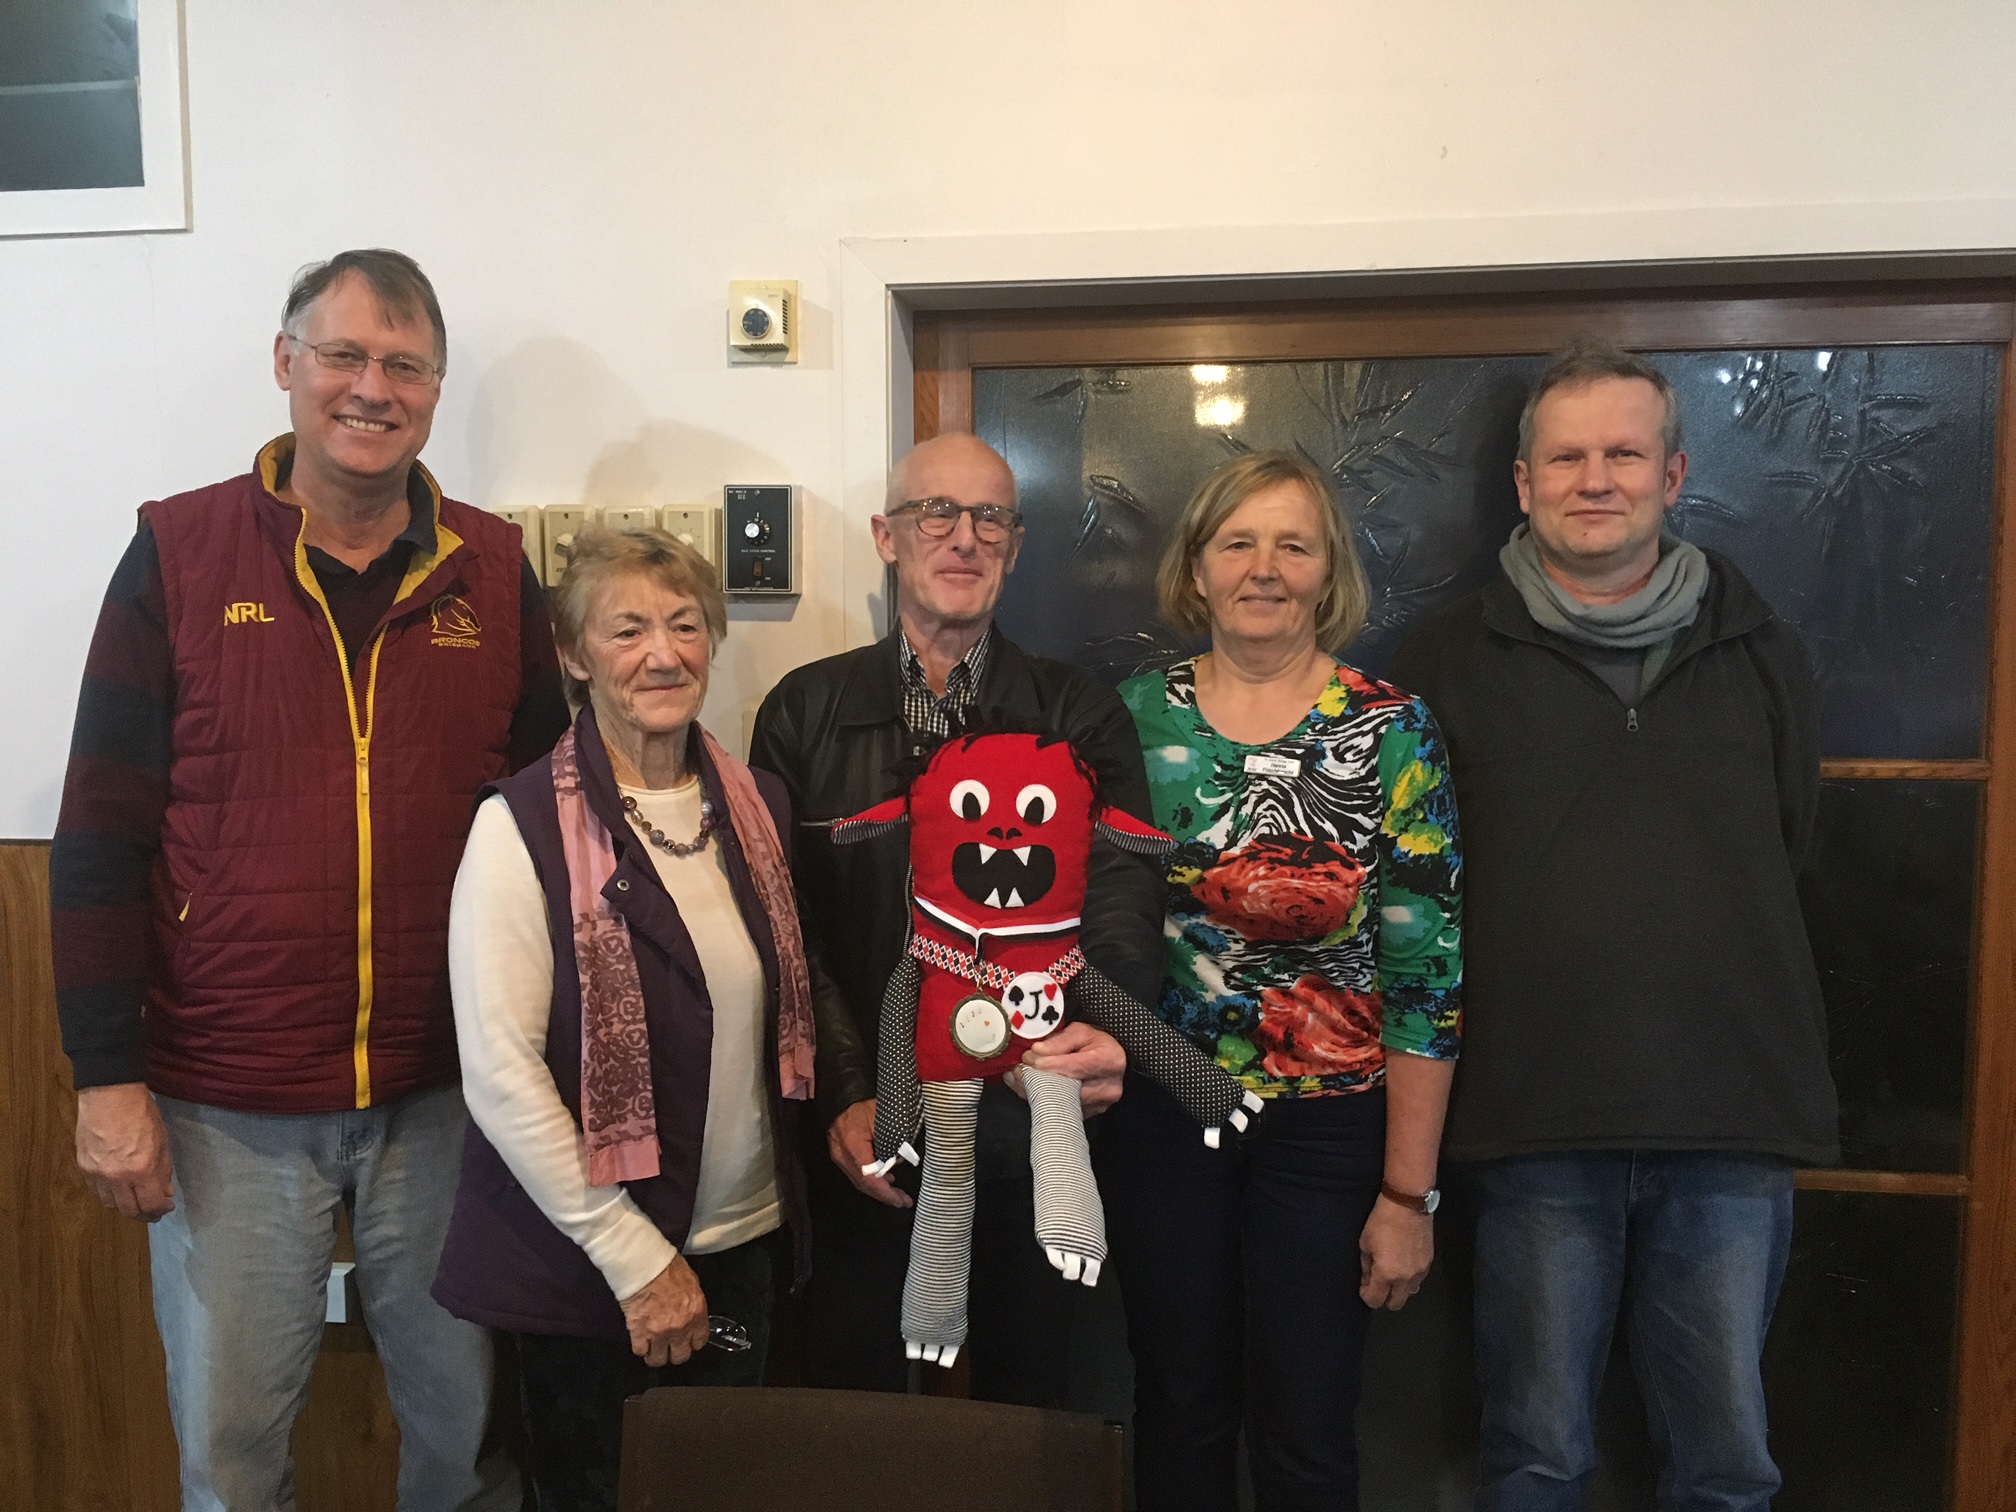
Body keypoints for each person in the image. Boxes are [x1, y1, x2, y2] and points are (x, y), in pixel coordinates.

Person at [48, 248, 564, 1511]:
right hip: (228, 1101)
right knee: (231, 1459)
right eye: (342, 355)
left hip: (450, 1095)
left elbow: (556, 832)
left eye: (404, 365)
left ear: (435, 392)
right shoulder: (177, 554)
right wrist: (107, 1080)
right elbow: (102, 834)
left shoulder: (493, 574)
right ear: (286, 366)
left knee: (469, 1446)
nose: (370, 388)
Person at [1391, 339, 1839, 1512]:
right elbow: (1414, 896)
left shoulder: (1760, 648)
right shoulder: (1446, 661)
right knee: (1536, 1456)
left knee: (1727, 1465)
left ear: (1676, 474)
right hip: (1534, 1121)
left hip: (1733, 1115)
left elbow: (1793, 846)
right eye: (1568, 456)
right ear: (1526, 484)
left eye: (1625, 453)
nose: (1598, 479)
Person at [747, 432, 1163, 1404]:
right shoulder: (802, 711)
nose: (963, 537)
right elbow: (785, 924)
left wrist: (1104, 1027)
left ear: (1015, 548)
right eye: (938, 512)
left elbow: (1122, 892)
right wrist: (848, 1088)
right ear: (890, 536)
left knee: (1037, 1420)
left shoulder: (1080, 714)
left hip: (1032, 1127)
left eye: (989, 519)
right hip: (864, 1141)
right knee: (861, 1432)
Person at [432, 525, 817, 1511]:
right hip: (591, 1266)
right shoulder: (517, 824)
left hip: (742, 1248)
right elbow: (501, 1075)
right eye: (628, 628)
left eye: (686, 625)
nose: (663, 653)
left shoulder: (757, 806)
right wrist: (638, 1262)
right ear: (573, 655)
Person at [1106, 450, 1463, 1511]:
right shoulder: (1127, 718)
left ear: (1327, 572)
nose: (1264, 567)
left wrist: (1408, 1195)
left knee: (1309, 1424)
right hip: (1166, 1113)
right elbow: (1085, 925)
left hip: (1332, 1125)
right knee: (1177, 1406)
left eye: (1293, 544)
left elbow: (1426, 973)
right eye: (1238, 542)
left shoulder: (1391, 728)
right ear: (1198, 569)